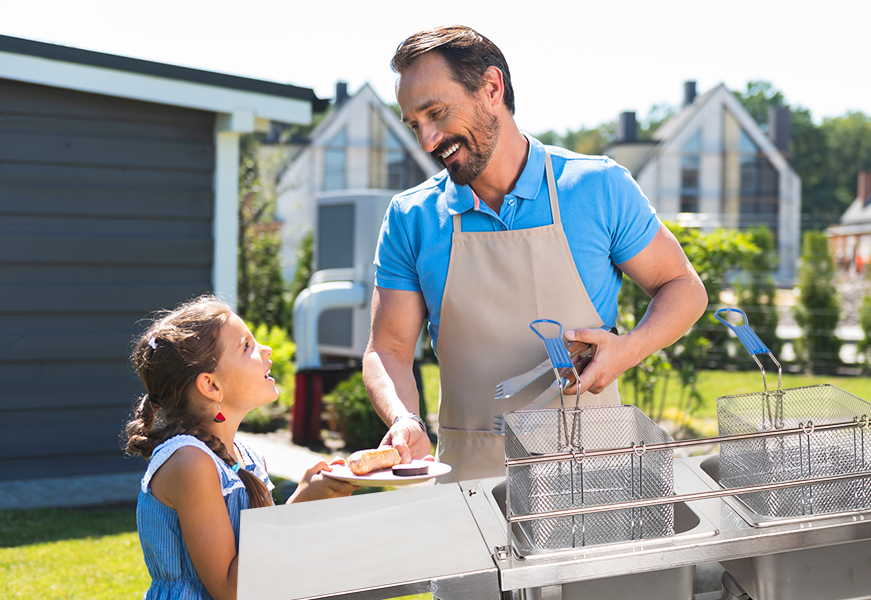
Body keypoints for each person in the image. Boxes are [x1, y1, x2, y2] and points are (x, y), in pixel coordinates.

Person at [363, 25, 708, 484]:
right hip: (471, 484)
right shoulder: (413, 217)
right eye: (415, 124)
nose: (427, 141)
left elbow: (684, 287)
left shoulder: (597, 187)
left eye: (437, 113)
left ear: (492, 88)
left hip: (596, 475)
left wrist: (628, 350)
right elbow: (386, 349)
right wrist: (404, 417)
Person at [124, 295, 357, 600]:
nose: (266, 349)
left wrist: (316, 500)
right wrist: (301, 503)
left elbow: (263, 563)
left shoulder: (245, 457)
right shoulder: (190, 462)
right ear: (211, 386)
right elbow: (232, 589)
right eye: (247, 346)